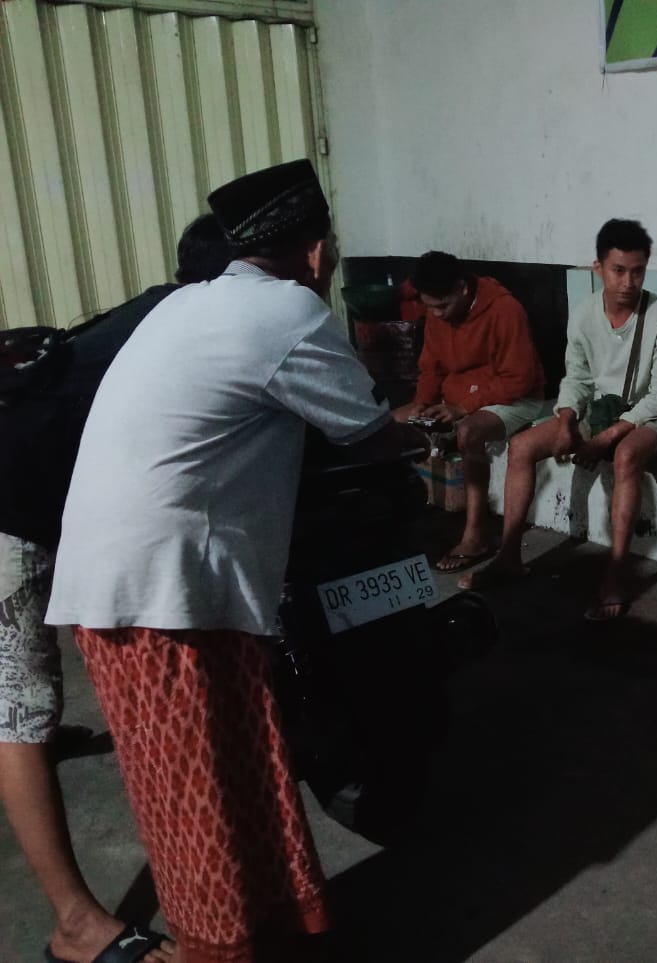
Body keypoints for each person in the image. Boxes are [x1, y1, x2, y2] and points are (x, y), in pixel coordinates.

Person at [44, 159, 405, 963]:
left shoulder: (192, 302)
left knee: (245, 763)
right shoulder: (289, 311)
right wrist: (434, 434)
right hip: (155, 595)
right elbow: (371, 433)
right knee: (195, 792)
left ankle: (267, 928)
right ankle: (214, 948)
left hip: (154, 583)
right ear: (316, 251)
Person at [0, 215, 230, 963]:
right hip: (9, 501)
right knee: (21, 707)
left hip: (50, 492)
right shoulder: (195, 330)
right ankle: (74, 925)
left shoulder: (172, 307)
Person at [462, 218, 657, 621]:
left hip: (649, 418)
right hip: (598, 411)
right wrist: (566, 421)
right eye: (618, 270)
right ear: (598, 268)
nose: (628, 282)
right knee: (522, 446)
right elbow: (577, 378)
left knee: (626, 455)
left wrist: (608, 437)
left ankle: (617, 571)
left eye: (637, 271)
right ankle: (508, 555)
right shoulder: (583, 314)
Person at [393, 251, 545, 572]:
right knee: (389, 423)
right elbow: (431, 367)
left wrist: (462, 407)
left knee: (469, 432)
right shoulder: (436, 314)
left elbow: (518, 379)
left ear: (462, 288)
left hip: (516, 398)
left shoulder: (505, 309)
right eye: (430, 307)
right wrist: (423, 403)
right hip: (459, 399)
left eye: (442, 306)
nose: (437, 314)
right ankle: (399, 526)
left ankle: (476, 535)